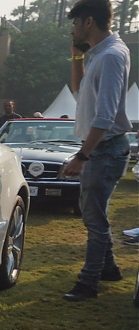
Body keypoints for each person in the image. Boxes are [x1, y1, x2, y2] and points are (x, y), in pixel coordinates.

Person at [61, 0, 131, 301]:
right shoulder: (99, 55)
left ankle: (88, 283)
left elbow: (105, 116)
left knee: (93, 220)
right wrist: (76, 58)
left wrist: (82, 156)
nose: (73, 29)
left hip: (105, 150)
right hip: (103, 149)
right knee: (97, 215)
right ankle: (110, 269)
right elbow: (78, 94)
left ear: (88, 22)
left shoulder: (112, 56)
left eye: (75, 24)